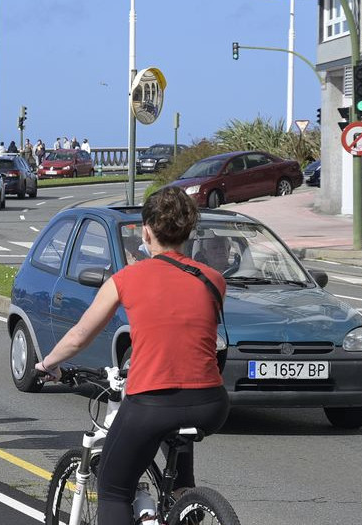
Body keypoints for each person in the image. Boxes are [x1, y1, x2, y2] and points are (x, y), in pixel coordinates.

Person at [35, 187, 229, 525]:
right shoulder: (212, 280)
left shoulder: (126, 279)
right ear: (188, 233)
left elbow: (80, 335)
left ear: (146, 231)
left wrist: (47, 364)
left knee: (113, 488)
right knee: (179, 462)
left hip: (153, 400)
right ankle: (185, 499)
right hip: (211, 402)